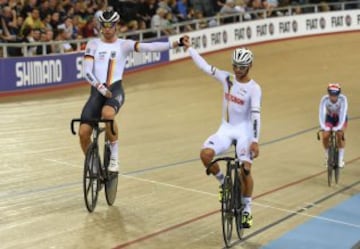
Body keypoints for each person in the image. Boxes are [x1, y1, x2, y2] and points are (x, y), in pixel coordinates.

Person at [80, 8, 184, 172]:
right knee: (83, 132)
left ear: (116, 26)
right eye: (104, 26)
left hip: (115, 90)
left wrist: (175, 43)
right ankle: (93, 162)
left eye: (110, 25)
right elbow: (86, 71)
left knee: (108, 115)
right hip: (97, 92)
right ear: (100, 26)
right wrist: (100, 87)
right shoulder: (93, 44)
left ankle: (114, 157)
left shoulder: (124, 45)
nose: (107, 29)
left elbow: (150, 47)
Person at [182, 36, 262, 228]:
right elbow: (205, 66)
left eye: (241, 67)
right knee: (205, 155)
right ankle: (224, 184)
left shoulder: (254, 88)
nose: (237, 70)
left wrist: (255, 140)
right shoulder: (227, 78)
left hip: (244, 133)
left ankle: (247, 209)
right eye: (235, 66)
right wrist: (190, 49)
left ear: (249, 66)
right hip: (225, 129)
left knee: (245, 170)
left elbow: (256, 115)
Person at [319, 83, 348, 168]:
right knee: (325, 135)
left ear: (339, 94)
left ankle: (341, 158)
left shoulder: (343, 99)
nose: (333, 97)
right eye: (331, 95)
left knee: (340, 134)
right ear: (328, 94)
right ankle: (327, 156)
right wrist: (323, 127)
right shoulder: (324, 99)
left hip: (340, 118)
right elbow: (321, 114)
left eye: (335, 95)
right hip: (330, 118)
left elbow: (343, 114)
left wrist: (338, 127)